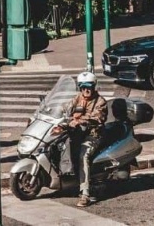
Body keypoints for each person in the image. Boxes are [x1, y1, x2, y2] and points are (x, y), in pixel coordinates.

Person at [54, 71, 108, 207]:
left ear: (94, 86)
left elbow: (97, 118)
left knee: (83, 155)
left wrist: (79, 121)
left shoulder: (100, 101)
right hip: (76, 134)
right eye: (83, 87)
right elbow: (66, 107)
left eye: (89, 86)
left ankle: (85, 193)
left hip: (93, 135)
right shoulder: (78, 98)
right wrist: (53, 112)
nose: (86, 90)